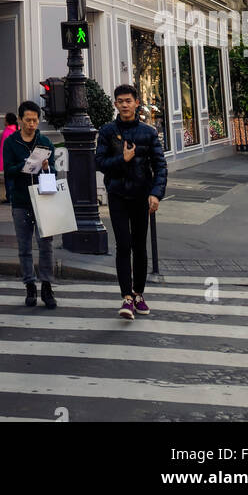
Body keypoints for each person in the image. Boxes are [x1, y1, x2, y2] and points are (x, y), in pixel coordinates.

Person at [94, 83, 167, 320]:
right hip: (117, 195)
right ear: (115, 104)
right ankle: (126, 297)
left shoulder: (148, 132)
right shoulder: (107, 131)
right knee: (123, 245)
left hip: (141, 196)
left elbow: (160, 166)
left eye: (128, 100)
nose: (124, 105)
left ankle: (138, 294)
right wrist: (122, 160)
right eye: (120, 101)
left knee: (139, 246)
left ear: (136, 103)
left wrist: (156, 193)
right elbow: (100, 163)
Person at [2, 100, 57, 310]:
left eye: (35, 120)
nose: (32, 124)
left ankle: (47, 286)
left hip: (43, 199)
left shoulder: (44, 142)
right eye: (28, 120)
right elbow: (7, 170)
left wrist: (46, 166)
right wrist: (25, 165)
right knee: (24, 246)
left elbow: (54, 171)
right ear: (20, 120)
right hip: (21, 199)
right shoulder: (11, 142)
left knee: (46, 245)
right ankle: (29, 285)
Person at [0, 111, 18, 203]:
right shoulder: (18, 130)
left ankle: (9, 197)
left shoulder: (7, 132)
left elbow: (3, 150)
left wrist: (2, 163)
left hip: (8, 161)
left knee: (8, 180)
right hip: (16, 160)